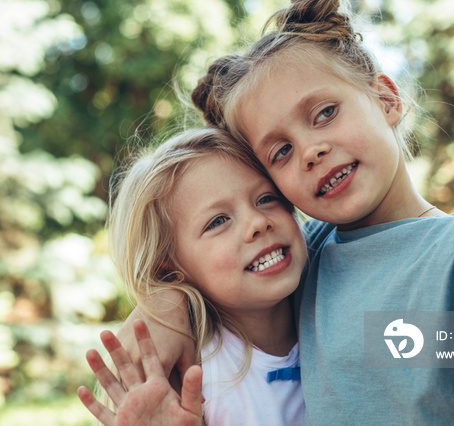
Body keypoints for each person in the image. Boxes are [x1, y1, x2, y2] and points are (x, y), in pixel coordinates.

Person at [116, 0, 454, 425]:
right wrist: (166, 306)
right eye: (281, 151)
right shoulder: (308, 256)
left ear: (385, 98)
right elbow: (212, 272)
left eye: (324, 113)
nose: (310, 151)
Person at [77, 127, 308, 425]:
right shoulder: (192, 375)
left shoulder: (337, 289)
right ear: (169, 268)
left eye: (265, 199)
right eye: (218, 221)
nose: (258, 222)